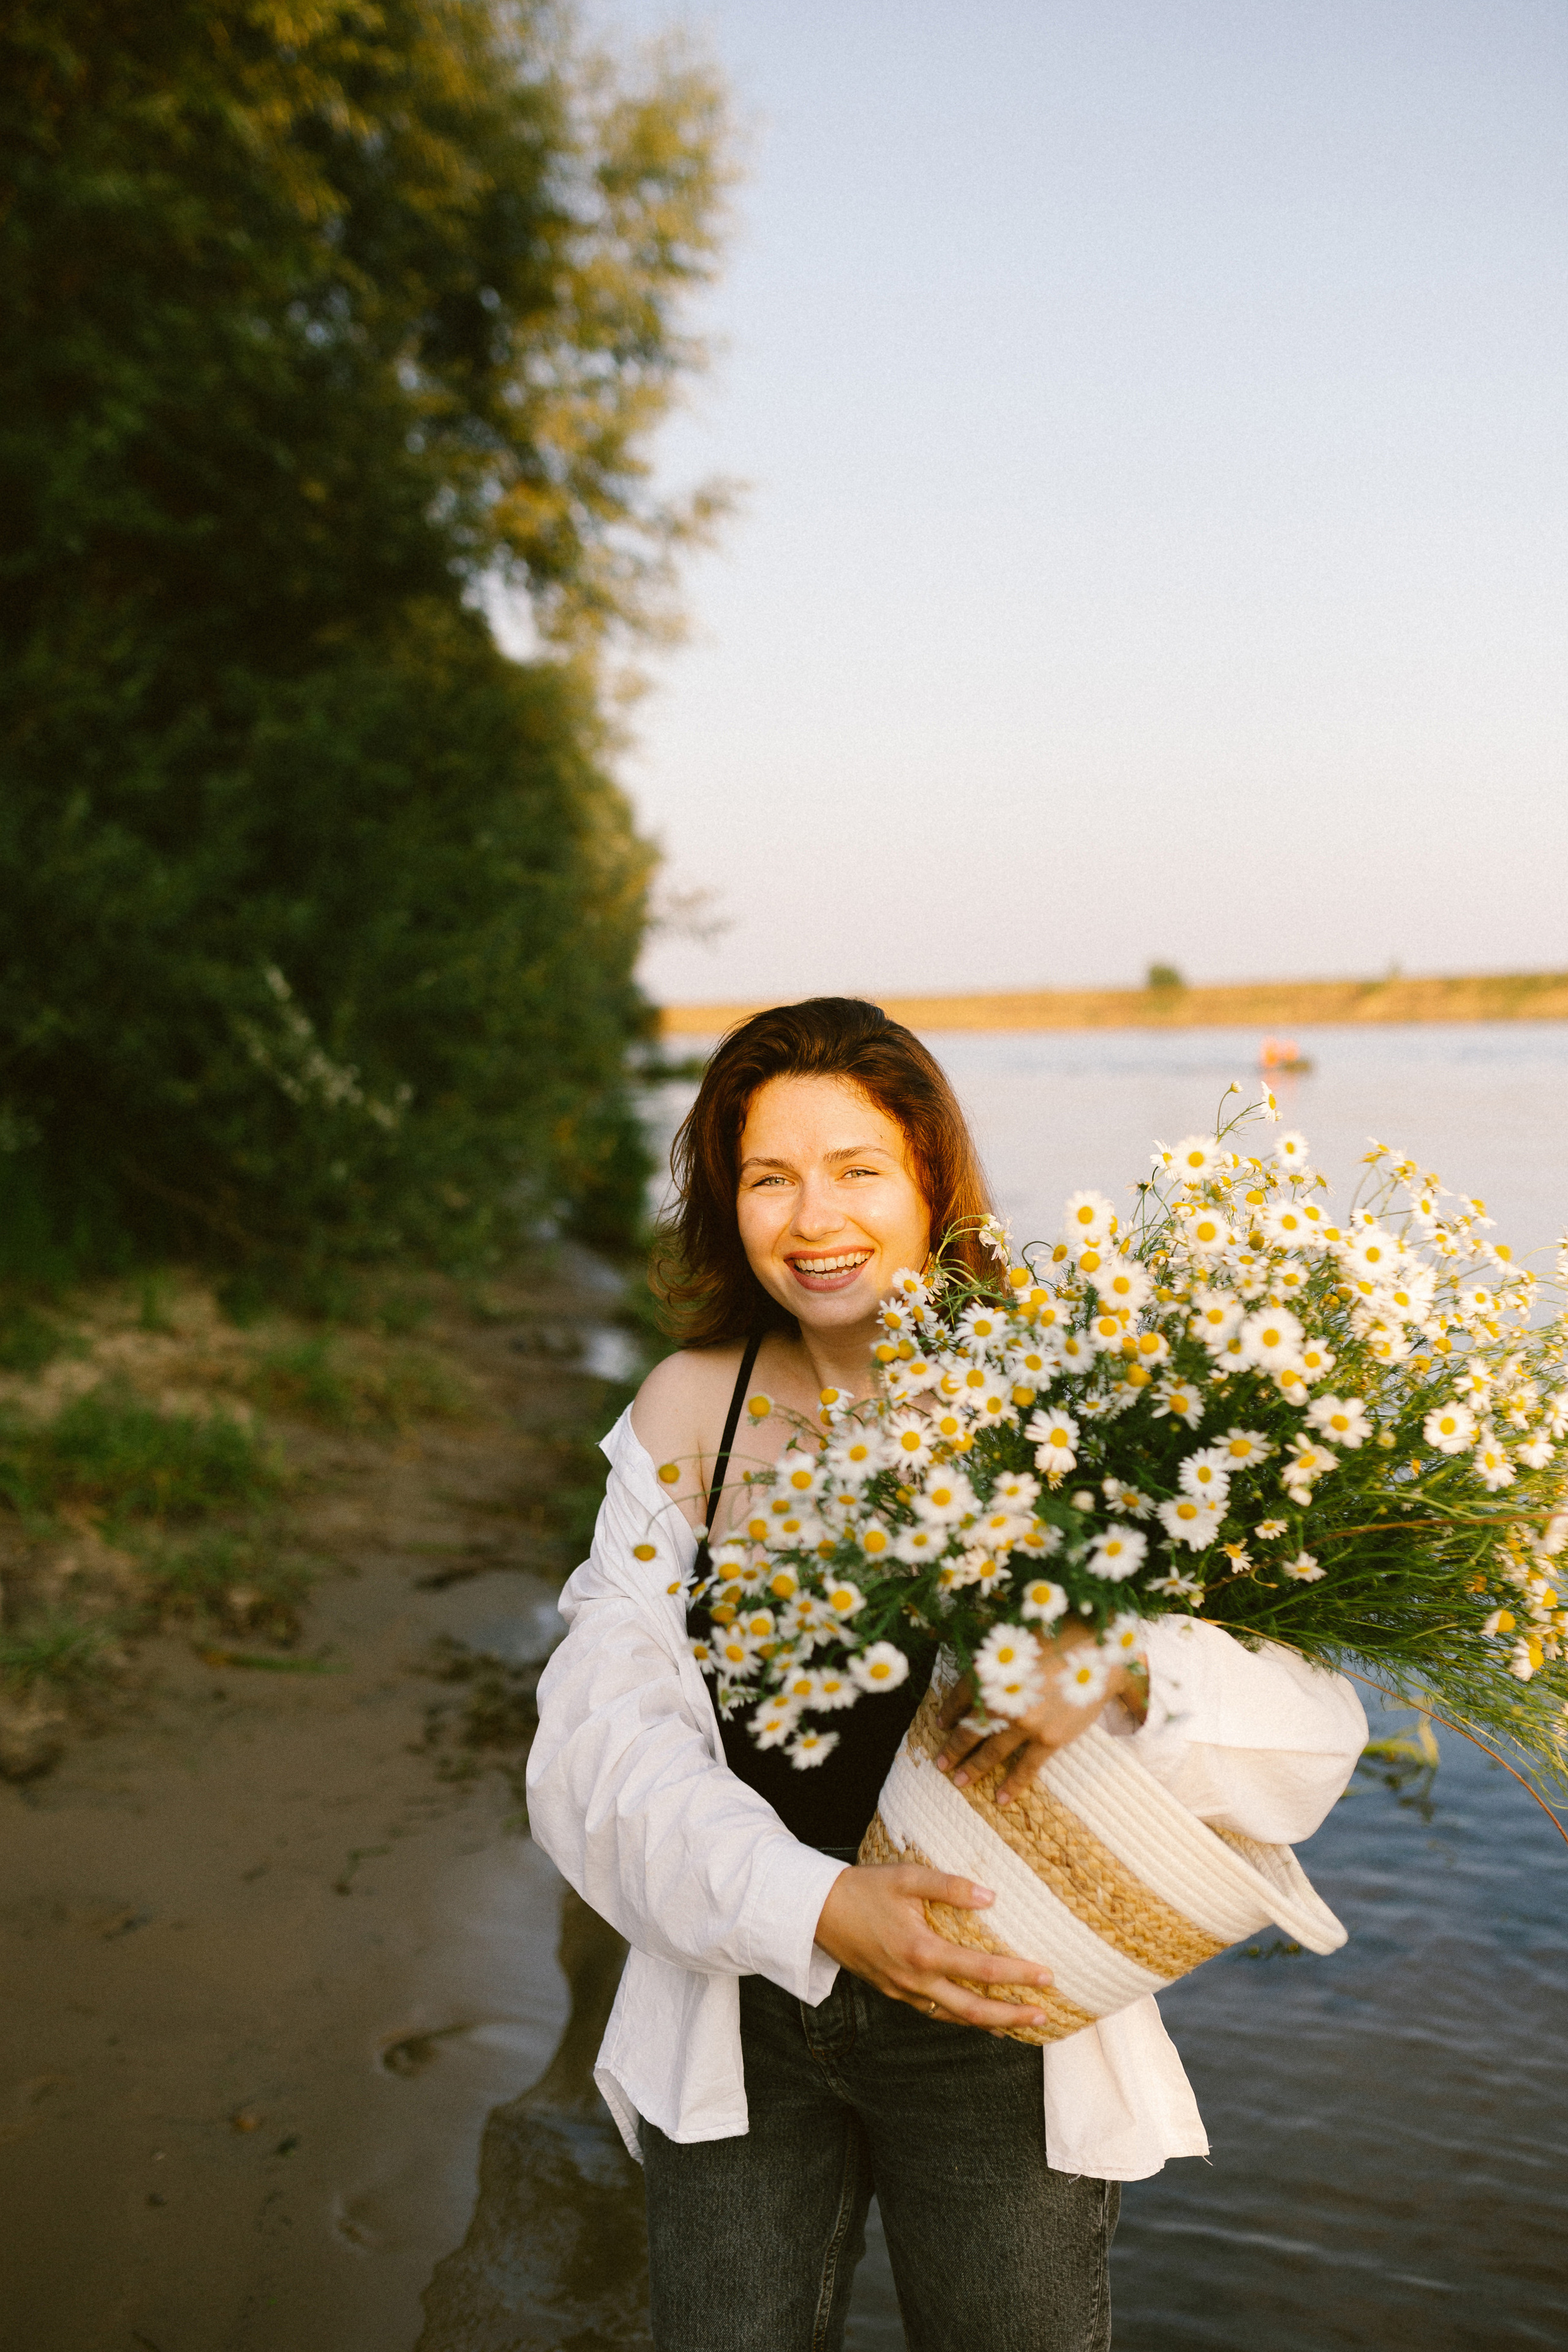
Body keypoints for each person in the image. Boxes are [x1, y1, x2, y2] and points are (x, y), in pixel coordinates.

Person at [527, 997, 1366, 2352]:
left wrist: (1123, 1662)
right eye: (767, 1178)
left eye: (857, 1168)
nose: (814, 1220)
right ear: (722, 1202)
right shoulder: (691, 1409)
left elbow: (1314, 1735)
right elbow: (594, 1741)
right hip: (740, 1990)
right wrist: (820, 1908)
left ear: (929, 1182)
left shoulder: (1073, 1401)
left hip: (1002, 2016)